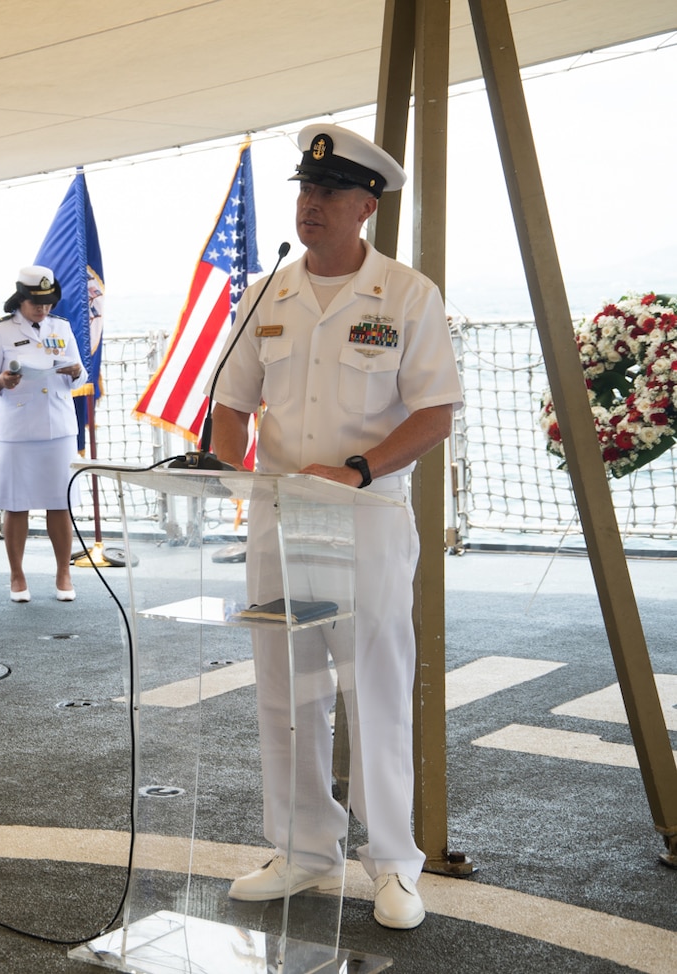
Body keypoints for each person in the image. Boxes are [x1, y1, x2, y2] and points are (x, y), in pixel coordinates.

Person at [208, 124, 463, 931]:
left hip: (365, 520)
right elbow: (231, 401)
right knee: (285, 691)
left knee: (376, 690)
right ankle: (303, 850)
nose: (309, 204)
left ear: (365, 205)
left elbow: (435, 412)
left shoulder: (407, 295)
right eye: (304, 192)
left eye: (327, 194)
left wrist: (358, 468)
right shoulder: (267, 295)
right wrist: (221, 464)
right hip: (278, 519)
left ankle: (392, 864)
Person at [0, 266, 83, 603]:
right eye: (37, 303)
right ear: (21, 298)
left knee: (60, 502)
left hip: (58, 426)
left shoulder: (61, 327)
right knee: (15, 503)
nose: (43, 309)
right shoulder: (1, 331)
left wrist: (77, 372)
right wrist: (0, 382)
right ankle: (17, 575)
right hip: (18, 428)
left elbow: (79, 376)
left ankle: (64, 572)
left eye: (48, 303)